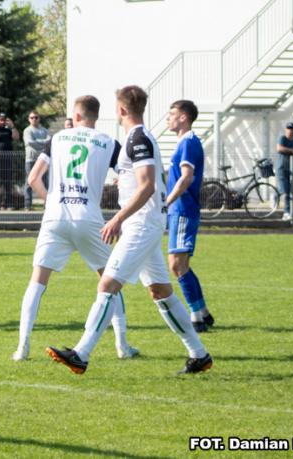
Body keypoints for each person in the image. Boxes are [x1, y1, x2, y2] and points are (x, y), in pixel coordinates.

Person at [46, 86, 212, 376]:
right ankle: (199, 354)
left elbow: (147, 185)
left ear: (121, 109)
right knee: (160, 291)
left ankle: (81, 354)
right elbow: (141, 182)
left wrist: (118, 219)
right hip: (146, 222)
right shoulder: (138, 138)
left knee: (107, 285)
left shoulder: (138, 138)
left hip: (142, 224)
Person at [12, 96, 138, 361]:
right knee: (110, 281)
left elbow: (33, 178)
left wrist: (51, 201)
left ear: (76, 116)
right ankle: (122, 345)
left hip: (55, 217)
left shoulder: (57, 138)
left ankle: (22, 347)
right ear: (96, 116)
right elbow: (129, 176)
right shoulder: (108, 142)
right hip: (88, 218)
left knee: (37, 281)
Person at [164, 99, 213, 333]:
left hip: (182, 209)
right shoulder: (185, 142)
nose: (168, 118)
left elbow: (186, 177)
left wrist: (168, 201)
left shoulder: (188, 142)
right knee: (181, 264)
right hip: (180, 209)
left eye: (172, 113)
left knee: (176, 264)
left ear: (183, 117)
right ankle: (202, 312)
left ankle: (195, 317)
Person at [23, 111, 49, 210]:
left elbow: (49, 141)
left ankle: (47, 204)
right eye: (32, 117)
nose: (34, 119)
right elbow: (30, 142)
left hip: (43, 159)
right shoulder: (27, 130)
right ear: (29, 119)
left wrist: (36, 141)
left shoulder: (44, 130)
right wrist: (43, 144)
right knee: (29, 181)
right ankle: (27, 205)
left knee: (45, 181)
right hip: (31, 159)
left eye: (36, 117)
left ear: (39, 118)